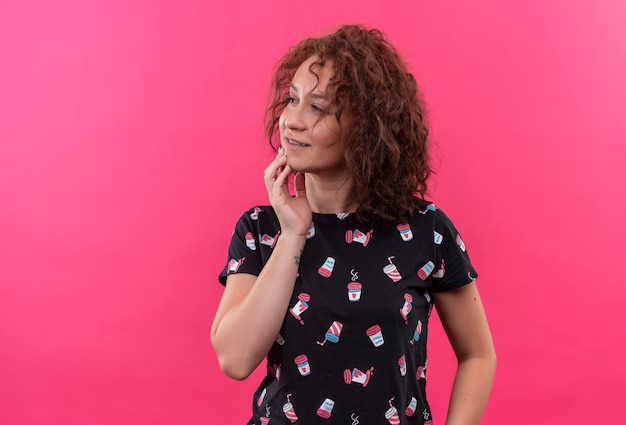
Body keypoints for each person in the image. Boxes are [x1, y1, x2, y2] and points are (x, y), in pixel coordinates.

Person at [211, 24, 496, 425]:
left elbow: (478, 354)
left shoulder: (426, 231)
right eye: (292, 99)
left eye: (317, 107)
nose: (291, 119)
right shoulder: (261, 230)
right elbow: (235, 358)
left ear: (366, 127)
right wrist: (293, 234)